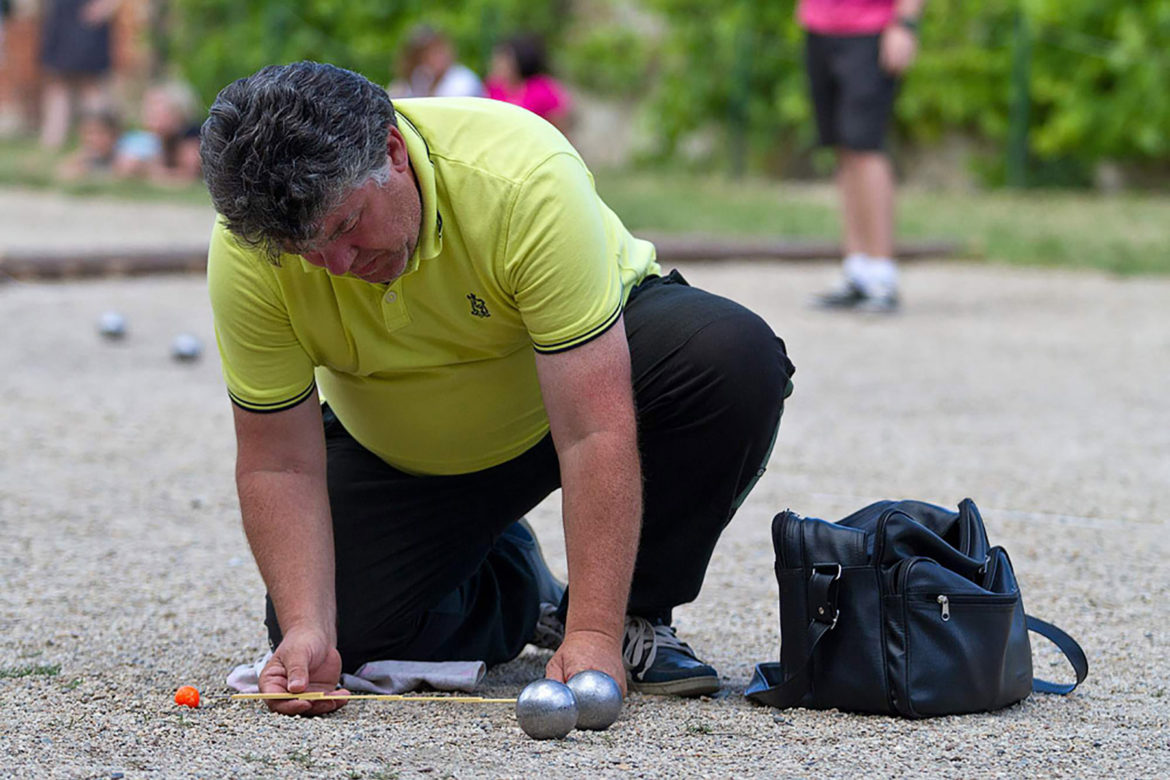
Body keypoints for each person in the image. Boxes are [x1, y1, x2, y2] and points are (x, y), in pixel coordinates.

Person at [199, 62, 794, 717]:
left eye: (345, 228)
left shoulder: (521, 174)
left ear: (393, 154)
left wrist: (593, 633)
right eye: (306, 252)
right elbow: (279, 461)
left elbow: (595, 426)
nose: (336, 266)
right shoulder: (250, 252)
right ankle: (517, 585)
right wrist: (309, 626)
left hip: (577, 394)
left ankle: (635, 612)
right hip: (407, 448)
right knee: (342, 635)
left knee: (732, 359)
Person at [801, 0, 926, 313]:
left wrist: (905, 24)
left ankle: (883, 275)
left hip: (872, 30)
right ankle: (858, 271)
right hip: (819, 27)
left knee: (865, 148)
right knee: (844, 149)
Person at [38, 0, 120, 150]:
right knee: (59, 85)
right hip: (62, 16)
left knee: (90, 86)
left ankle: (100, 140)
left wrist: (108, 5)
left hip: (86, 19)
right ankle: (53, 139)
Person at [114, 81, 202, 184]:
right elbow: (124, 168)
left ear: (178, 112)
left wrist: (149, 170)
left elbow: (189, 177)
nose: (149, 114)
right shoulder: (156, 139)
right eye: (148, 107)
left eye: (157, 108)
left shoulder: (190, 136)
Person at [486, 33, 571, 133]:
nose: (496, 64)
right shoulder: (493, 87)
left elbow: (560, 129)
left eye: (503, 61)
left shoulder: (542, 90)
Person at [388, 25, 484, 99]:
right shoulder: (421, 77)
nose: (435, 57)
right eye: (426, 53)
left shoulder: (463, 80)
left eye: (438, 50)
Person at [54, 104, 120, 180]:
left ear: (115, 134)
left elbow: (126, 170)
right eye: (88, 133)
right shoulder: (89, 154)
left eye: (100, 133)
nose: (93, 138)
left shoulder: (126, 148)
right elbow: (62, 172)